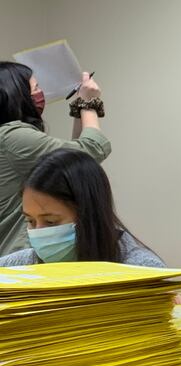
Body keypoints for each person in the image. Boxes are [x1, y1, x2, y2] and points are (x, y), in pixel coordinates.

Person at [0, 62, 111, 256]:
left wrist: (80, 107)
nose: (40, 93)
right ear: (17, 95)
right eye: (36, 88)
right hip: (14, 259)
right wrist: (89, 103)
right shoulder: (12, 138)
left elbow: (69, 163)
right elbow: (91, 151)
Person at [0, 149, 163, 268]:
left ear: (89, 216)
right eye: (30, 221)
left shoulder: (141, 270)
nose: (38, 233)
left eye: (50, 222)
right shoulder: (19, 268)